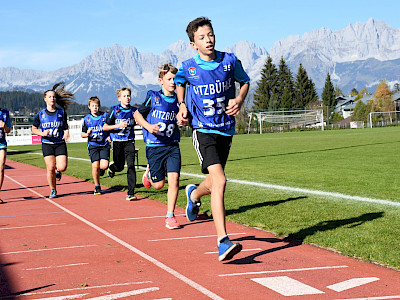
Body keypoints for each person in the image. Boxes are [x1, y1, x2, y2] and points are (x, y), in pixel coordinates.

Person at [175, 17, 250, 261]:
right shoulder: (188, 67)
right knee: (221, 180)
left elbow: (245, 81)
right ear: (192, 44)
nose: (208, 40)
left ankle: (194, 195)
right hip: (203, 130)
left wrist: (239, 100)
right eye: (202, 37)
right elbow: (179, 82)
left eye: (211, 35)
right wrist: (182, 106)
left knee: (213, 182)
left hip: (225, 130)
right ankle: (222, 241)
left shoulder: (229, 61)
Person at [134, 63, 181, 229]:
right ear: (160, 81)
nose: (172, 82)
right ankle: (149, 173)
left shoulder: (180, 100)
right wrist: (148, 127)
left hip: (172, 145)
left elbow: (184, 118)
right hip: (155, 147)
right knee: (159, 185)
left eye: (175, 79)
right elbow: (137, 115)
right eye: (169, 79)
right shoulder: (153, 97)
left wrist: (184, 120)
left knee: (174, 180)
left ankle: (170, 215)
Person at [32, 82, 75, 199]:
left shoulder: (61, 112)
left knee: (62, 167)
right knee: (50, 167)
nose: (52, 98)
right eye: (50, 97)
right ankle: (53, 189)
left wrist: (66, 132)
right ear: (45, 99)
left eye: (54, 97)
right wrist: (42, 133)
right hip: (47, 144)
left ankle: (58, 171)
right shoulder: (40, 114)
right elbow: (33, 128)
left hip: (60, 143)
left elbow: (65, 125)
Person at [103, 87, 137, 201]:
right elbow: (105, 127)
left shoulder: (134, 111)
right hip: (117, 141)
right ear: (119, 98)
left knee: (131, 166)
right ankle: (112, 168)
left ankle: (131, 192)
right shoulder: (114, 110)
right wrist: (118, 126)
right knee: (119, 166)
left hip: (129, 141)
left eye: (128, 96)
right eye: (124, 96)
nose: (127, 98)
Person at [81, 96, 111, 195]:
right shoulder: (87, 119)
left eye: (96, 106)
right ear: (89, 107)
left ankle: (102, 170)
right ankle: (97, 186)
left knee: (104, 165)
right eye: (93, 106)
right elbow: (82, 134)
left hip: (104, 144)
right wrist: (87, 134)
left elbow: (111, 127)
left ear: (99, 106)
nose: (95, 108)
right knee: (95, 166)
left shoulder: (105, 116)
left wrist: (110, 136)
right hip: (93, 145)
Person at [0, 96, 11, 204]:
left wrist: (4, 127)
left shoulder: (5, 113)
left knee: (1, 167)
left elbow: (8, 130)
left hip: (1, 144)